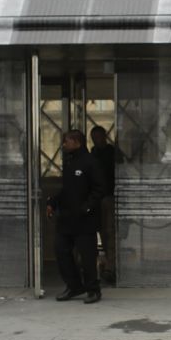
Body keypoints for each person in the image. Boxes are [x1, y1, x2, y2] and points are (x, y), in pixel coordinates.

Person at [46, 129, 106, 304]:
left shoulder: (90, 162)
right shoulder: (70, 162)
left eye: (66, 141)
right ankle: (74, 286)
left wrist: (87, 207)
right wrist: (53, 202)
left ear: (76, 142)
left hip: (84, 220)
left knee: (87, 256)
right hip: (66, 219)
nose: (64, 145)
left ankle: (93, 289)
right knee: (61, 251)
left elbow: (99, 189)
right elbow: (66, 190)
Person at [89, 125, 118, 285]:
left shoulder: (111, 153)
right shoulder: (93, 153)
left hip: (109, 196)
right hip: (98, 198)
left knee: (110, 232)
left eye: (99, 137)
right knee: (102, 232)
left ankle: (111, 266)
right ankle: (106, 264)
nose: (97, 141)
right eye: (94, 138)